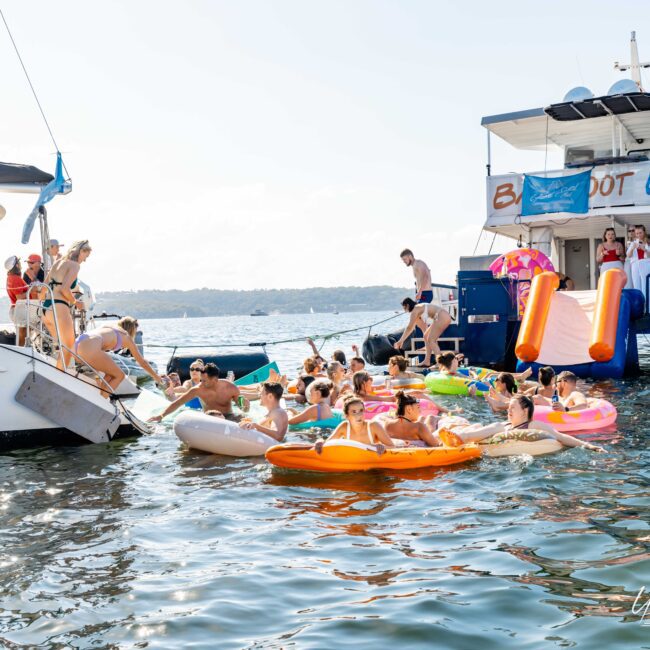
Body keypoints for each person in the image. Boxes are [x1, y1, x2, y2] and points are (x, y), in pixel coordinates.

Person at [436, 395, 605, 453]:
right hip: (491, 439)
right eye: (508, 408)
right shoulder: (505, 424)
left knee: (496, 427)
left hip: (514, 443)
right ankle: (457, 437)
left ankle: (459, 437)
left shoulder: (533, 425)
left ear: (525, 411)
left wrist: (590, 446)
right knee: (489, 426)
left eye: (512, 408)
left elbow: (560, 436)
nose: (508, 411)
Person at [74, 316, 163, 396]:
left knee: (110, 374)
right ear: (132, 329)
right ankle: (102, 400)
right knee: (120, 375)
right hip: (91, 345)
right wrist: (157, 378)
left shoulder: (108, 327)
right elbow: (142, 363)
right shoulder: (126, 336)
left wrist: (97, 376)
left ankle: (102, 397)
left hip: (77, 344)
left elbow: (97, 356)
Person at [42, 240, 91, 370]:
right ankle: (59, 378)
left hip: (45, 310)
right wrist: (76, 303)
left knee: (61, 348)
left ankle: (58, 375)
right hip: (59, 308)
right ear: (81, 251)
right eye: (85, 257)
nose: (84, 261)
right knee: (69, 347)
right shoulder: (75, 266)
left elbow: (42, 289)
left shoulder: (57, 263)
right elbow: (64, 289)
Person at [149, 362, 246, 422]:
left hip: (228, 417)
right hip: (209, 418)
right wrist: (161, 416)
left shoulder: (230, 387)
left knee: (242, 417)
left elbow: (242, 407)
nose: (201, 383)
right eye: (201, 380)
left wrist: (245, 405)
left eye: (204, 381)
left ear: (215, 379)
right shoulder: (198, 390)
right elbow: (178, 403)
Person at [315, 396, 394, 456]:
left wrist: (382, 447)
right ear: (347, 416)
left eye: (361, 410)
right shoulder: (344, 426)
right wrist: (320, 441)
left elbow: (392, 446)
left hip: (372, 463)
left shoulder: (373, 426)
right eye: (354, 412)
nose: (359, 415)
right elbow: (328, 443)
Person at [394, 297, 452, 367]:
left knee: (431, 340)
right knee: (426, 336)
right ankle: (427, 361)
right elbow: (412, 328)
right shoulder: (418, 309)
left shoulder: (415, 310)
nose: (404, 310)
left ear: (408, 305)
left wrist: (400, 341)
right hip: (442, 316)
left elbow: (409, 328)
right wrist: (402, 340)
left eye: (404, 308)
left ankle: (440, 363)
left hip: (442, 316)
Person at [5, 256, 30, 346]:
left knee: (24, 335)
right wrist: (31, 289)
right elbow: (19, 297)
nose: (20, 264)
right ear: (16, 265)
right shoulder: (15, 278)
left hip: (17, 310)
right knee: (22, 336)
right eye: (19, 262)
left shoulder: (11, 277)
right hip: (19, 310)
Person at [627, 224, 650, 299]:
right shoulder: (633, 243)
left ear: (644, 232)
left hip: (646, 265)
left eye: (640, 233)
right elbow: (629, 255)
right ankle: (640, 306)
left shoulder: (648, 242)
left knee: (646, 285)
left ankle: (647, 306)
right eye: (637, 233)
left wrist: (645, 249)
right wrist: (632, 248)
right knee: (637, 285)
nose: (639, 235)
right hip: (635, 266)